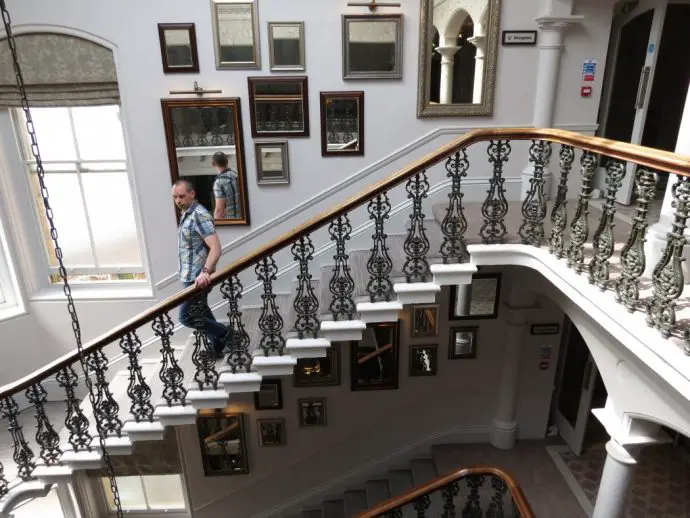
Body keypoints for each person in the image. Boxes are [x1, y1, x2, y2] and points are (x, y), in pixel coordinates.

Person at [172, 179, 228, 358]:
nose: (178, 200)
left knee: (186, 316)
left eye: (181, 196)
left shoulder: (199, 215)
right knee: (203, 311)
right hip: (189, 275)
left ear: (192, 194)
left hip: (198, 277)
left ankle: (227, 334)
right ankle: (217, 347)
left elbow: (216, 247)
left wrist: (205, 272)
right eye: (175, 197)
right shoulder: (186, 213)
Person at [211, 151, 240, 220]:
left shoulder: (219, 183)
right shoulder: (236, 175)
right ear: (227, 161)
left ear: (213, 164)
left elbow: (219, 211)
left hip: (230, 221)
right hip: (242, 219)